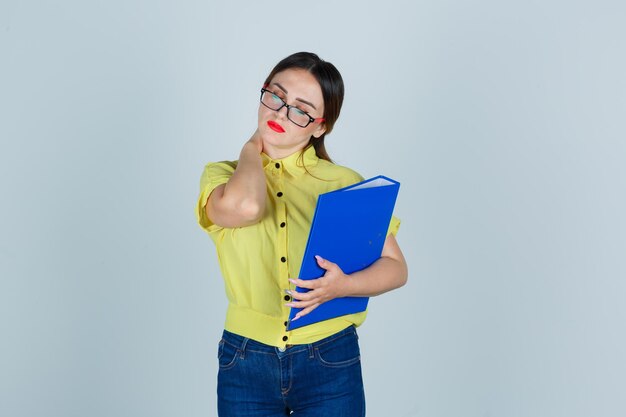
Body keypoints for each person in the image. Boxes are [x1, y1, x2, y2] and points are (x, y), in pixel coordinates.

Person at [195, 51, 408, 416]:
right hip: (245, 359)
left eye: (300, 109)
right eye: (275, 96)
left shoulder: (345, 184)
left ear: (320, 126)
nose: (280, 113)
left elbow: (396, 268)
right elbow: (246, 208)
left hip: (329, 355)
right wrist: (251, 149)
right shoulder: (222, 177)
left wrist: (344, 286)